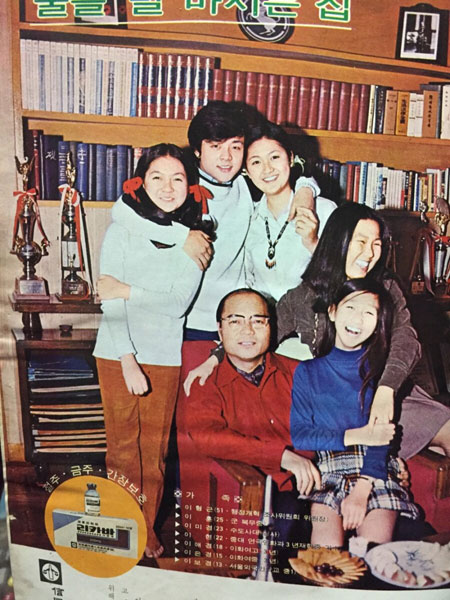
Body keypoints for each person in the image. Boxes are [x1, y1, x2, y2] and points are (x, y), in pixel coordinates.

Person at [186, 203, 450, 460]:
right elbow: (258, 333)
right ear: (338, 242)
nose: (370, 253)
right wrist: (215, 357)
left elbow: (406, 341)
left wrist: (386, 389)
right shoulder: (304, 296)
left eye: (377, 243)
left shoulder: (386, 288)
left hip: (389, 392)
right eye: (361, 242)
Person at [93, 143, 208, 559]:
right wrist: (127, 359)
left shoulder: (196, 241)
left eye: (178, 178)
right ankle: (124, 526)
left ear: (190, 186)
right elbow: (109, 301)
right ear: (141, 182)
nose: (167, 187)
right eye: (157, 177)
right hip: (115, 352)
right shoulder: (121, 230)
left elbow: (176, 305)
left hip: (163, 356)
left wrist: (127, 289)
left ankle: (144, 528)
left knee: (154, 453)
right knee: (122, 448)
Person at [183, 288, 321, 547]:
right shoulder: (205, 382)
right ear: (220, 330)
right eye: (235, 321)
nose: (247, 331)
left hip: (321, 480)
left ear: (271, 327)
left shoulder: (299, 373)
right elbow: (207, 436)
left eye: (258, 321)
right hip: (267, 488)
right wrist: (280, 456)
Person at [290, 279, 419, 547]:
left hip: (374, 470)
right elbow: (301, 435)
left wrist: (361, 491)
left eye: (369, 313)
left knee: (373, 551)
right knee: (326, 555)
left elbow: (381, 439)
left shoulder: (382, 373)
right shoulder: (307, 371)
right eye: (351, 307)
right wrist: (358, 435)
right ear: (333, 311)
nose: (358, 319)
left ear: (378, 325)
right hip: (328, 471)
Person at [243, 120, 336, 302]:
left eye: (274, 157)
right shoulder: (248, 217)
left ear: (291, 158)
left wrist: (312, 242)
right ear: (246, 170)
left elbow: (339, 275)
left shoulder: (324, 210)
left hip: (308, 317)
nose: (267, 169)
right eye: (256, 162)